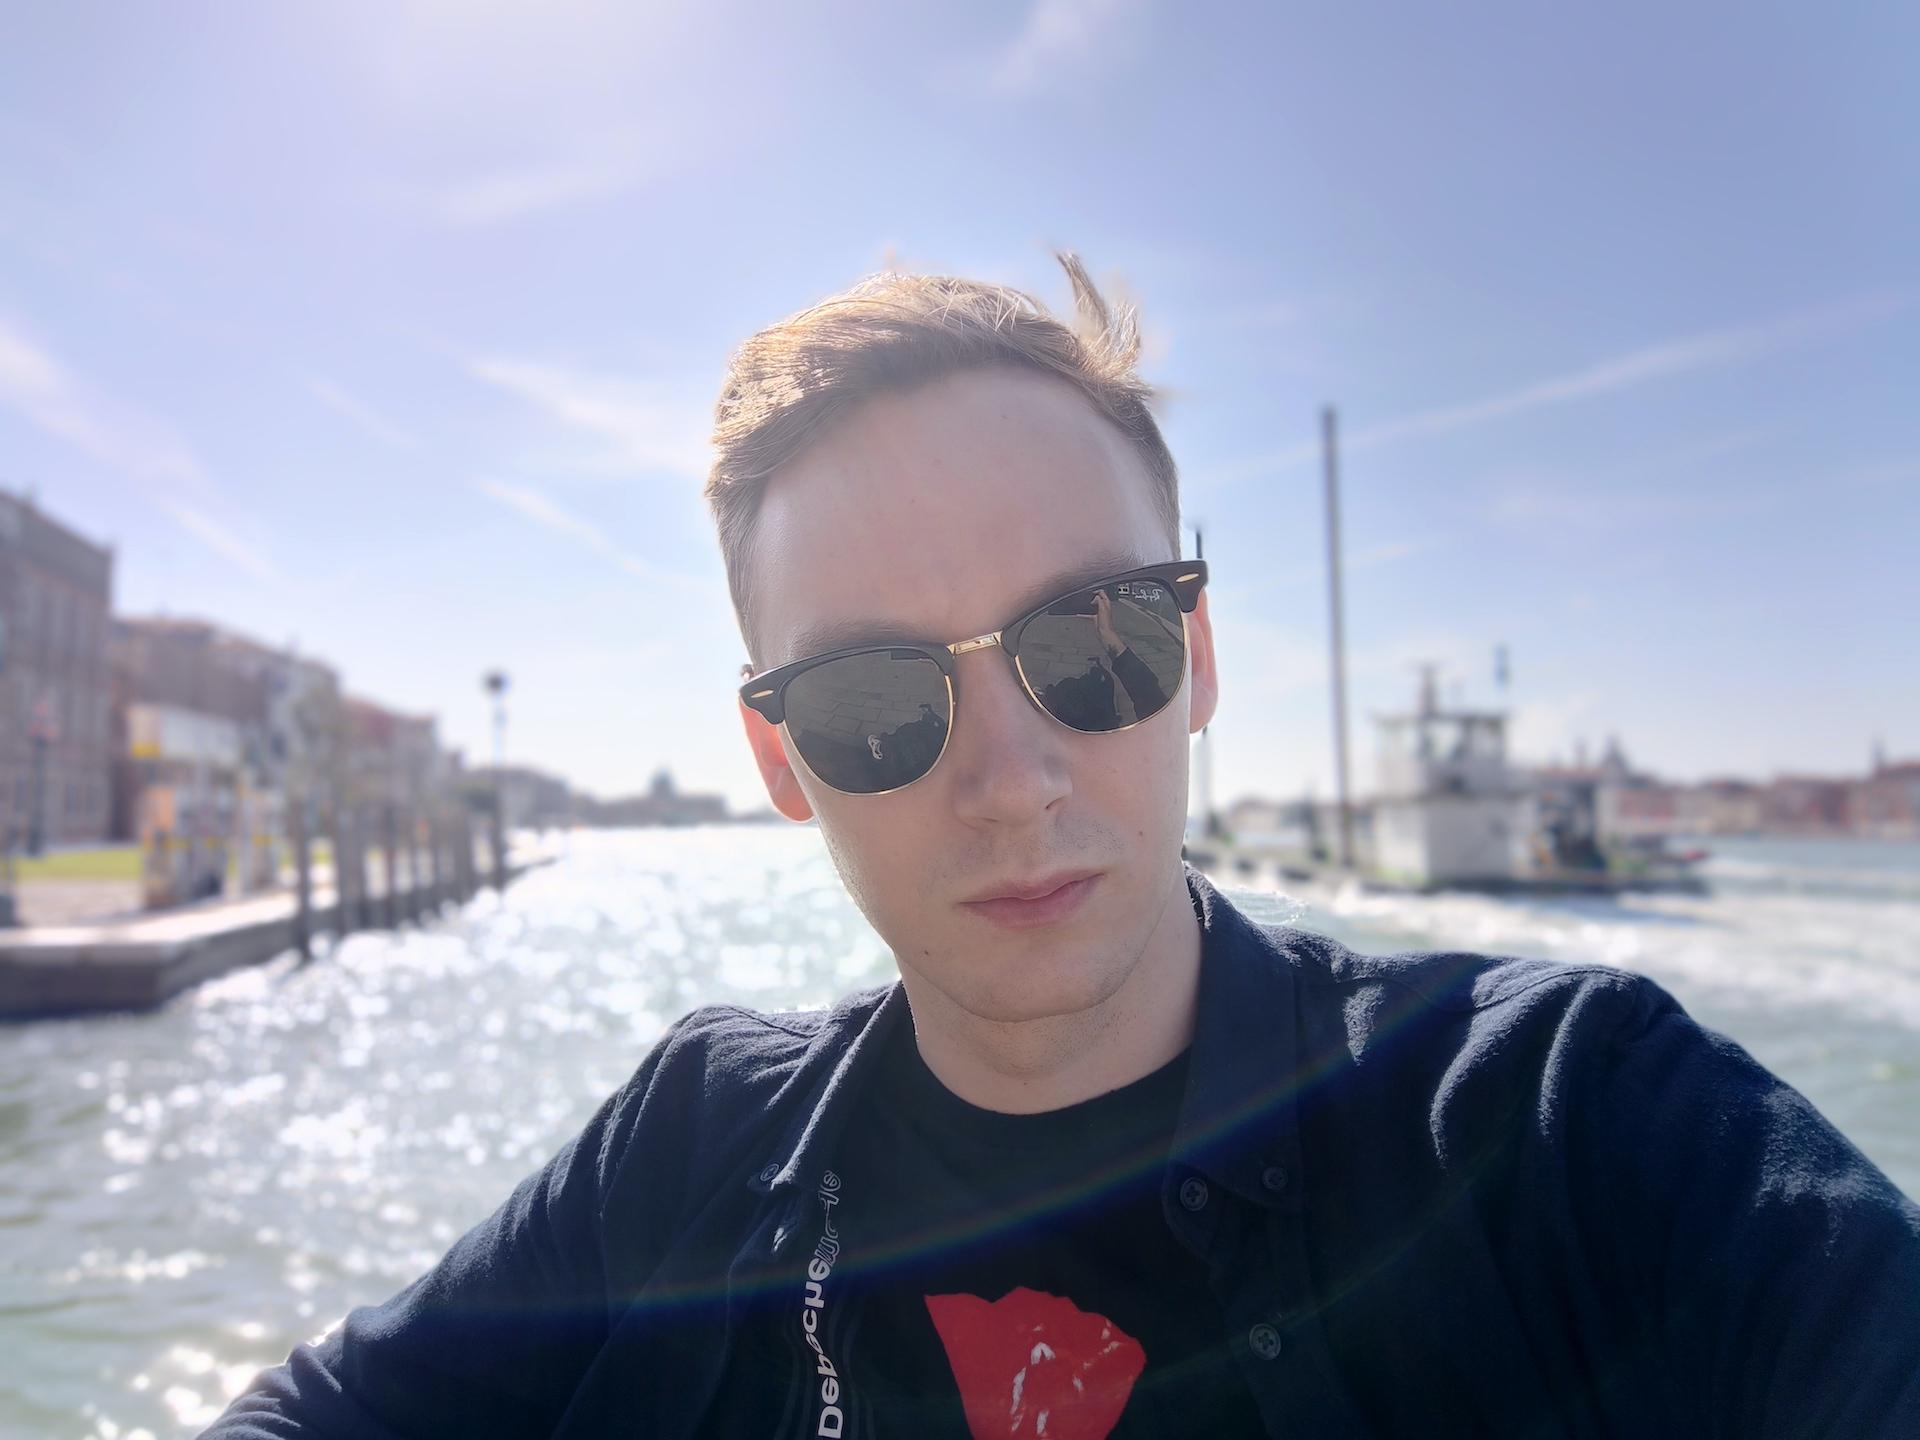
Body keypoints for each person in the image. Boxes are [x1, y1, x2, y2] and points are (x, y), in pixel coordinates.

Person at [204, 257, 1919, 1439]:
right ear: (784, 759)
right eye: (878, 701)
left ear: (1199, 660)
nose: (1012, 780)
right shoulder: (693, 1148)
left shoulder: (1561, 1125)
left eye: (1094, 643)